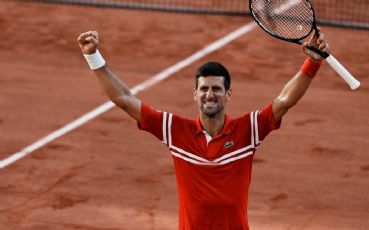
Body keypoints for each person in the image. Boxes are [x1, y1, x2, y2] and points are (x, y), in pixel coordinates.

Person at [77, 27, 329, 229]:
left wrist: (312, 64)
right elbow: (124, 99)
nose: (210, 94)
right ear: (195, 95)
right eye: (204, 89)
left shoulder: (248, 130)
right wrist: (93, 56)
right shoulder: (175, 131)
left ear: (228, 94)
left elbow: (284, 101)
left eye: (217, 89)